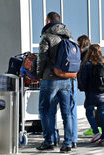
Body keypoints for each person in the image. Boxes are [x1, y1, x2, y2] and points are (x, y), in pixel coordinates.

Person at [36, 11, 74, 153]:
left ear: (48, 21)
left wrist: (39, 75)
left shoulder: (47, 36)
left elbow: (42, 58)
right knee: (67, 112)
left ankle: (49, 141)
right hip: (66, 79)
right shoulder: (68, 36)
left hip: (50, 79)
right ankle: (68, 143)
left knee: (45, 110)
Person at [80, 44, 104, 145]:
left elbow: (83, 79)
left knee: (89, 112)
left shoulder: (87, 64)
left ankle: (96, 132)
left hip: (92, 93)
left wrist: (83, 88)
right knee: (102, 115)